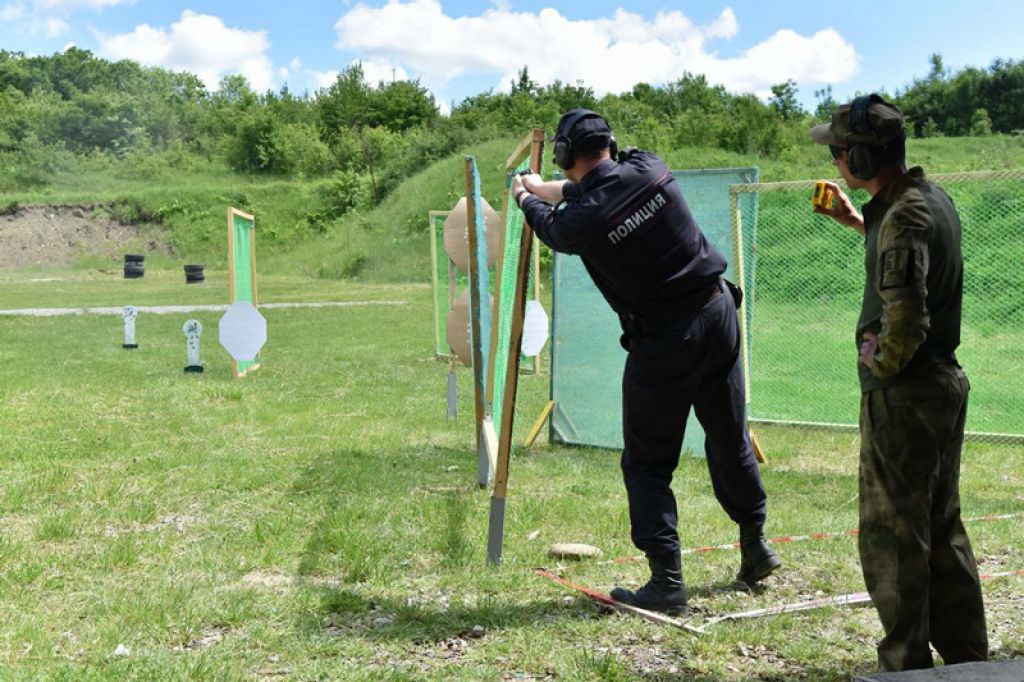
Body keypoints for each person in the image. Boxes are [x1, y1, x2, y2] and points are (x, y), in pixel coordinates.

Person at [511, 109, 780, 615]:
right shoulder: (650, 167)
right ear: (610, 144)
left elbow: (555, 227)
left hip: (666, 339)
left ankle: (667, 581)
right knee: (728, 435)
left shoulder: (583, 221)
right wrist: (547, 187)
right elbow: (596, 190)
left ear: (566, 156)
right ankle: (755, 544)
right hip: (719, 313)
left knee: (648, 463)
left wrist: (525, 194)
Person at [810, 94, 988, 671]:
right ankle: (969, 663)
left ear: (860, 159)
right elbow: (908, 261)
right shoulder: (922, 200)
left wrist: (880, 361)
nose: (837, 163)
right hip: (937, 387)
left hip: (906, 393)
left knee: (894, 536)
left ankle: (905, 665)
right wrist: (853, 220)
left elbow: (907, 313)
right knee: (940, 529)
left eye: (840, 152)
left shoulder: (904, 214)